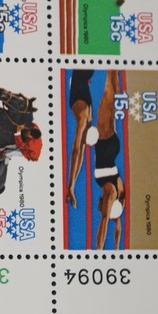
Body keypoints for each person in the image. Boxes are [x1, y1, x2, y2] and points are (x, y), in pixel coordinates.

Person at [90, 70, 128, 250]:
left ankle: (113, 69)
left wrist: (117, 247)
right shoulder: (111, 194)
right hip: (105, 146)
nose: (100, 206)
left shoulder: (120, 196)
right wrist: (99, 251)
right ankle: (111, 68)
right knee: (109, 96)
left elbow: (118, 227)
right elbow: (104, 222)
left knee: (112, 98)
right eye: (102, 206)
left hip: (111, 150)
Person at [64, 69, 95, 209]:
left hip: (79, 93)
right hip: (82, 91)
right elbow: (79, 150)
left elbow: (78, 150)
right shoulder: (87, 118)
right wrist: (72, 184)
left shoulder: (84, 118)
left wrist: (71, 185)